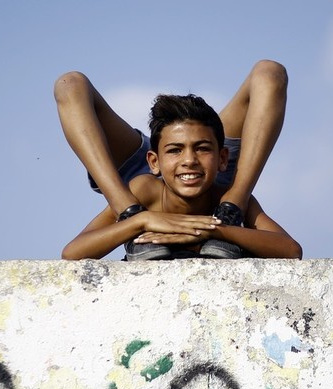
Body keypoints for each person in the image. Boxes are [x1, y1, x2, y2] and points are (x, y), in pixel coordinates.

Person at [54, 60, 301, 260]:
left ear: (223, 156)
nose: (189, 160)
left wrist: (218, 227)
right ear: (154, 161)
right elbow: (72, 252)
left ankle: (232, 208)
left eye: (200, 150)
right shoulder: (142, 187)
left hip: (220, 183)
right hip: (138, 187)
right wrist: (140, 220)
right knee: (70, 83)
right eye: (177, 151)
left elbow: (291, 250)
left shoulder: (220, 190)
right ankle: (126, 210)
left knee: (270, 71)